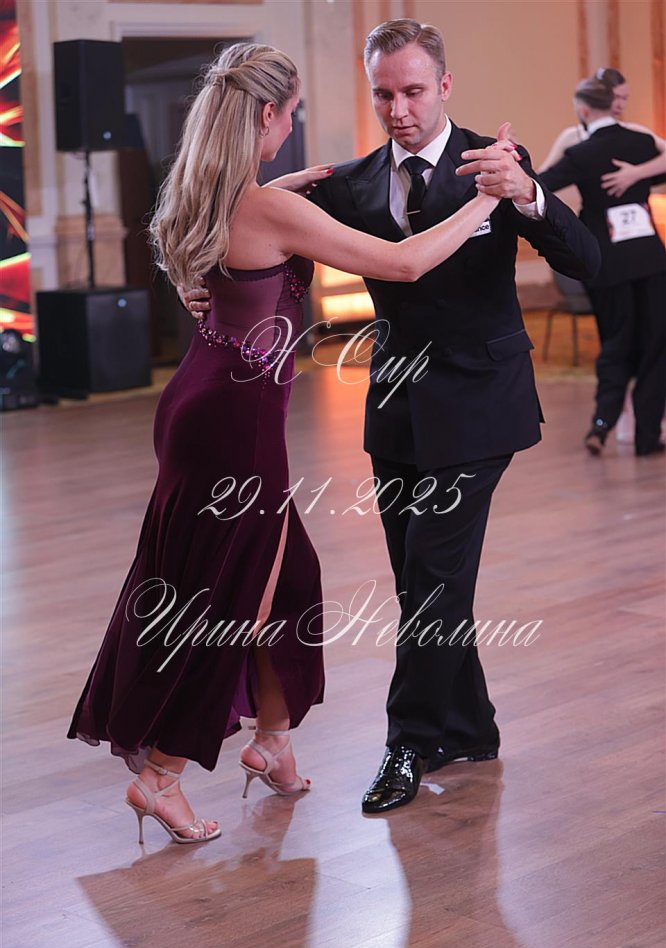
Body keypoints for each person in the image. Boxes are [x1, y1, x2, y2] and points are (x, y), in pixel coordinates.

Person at [67, 39, 521, 844]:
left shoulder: (214, 194)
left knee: (287, 583)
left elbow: (223, 263)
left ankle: (272, 741)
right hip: (237, 423)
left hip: (200, 402)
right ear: (269, 115)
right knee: (232, 596)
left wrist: (280, 197)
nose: (293, 127)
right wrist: (486, 199)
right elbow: (403, 263)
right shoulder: (266, 206)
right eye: (293, 114)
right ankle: (161, 774)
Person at [182, 20, 601, 815]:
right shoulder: (351, 182)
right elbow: (247, 232)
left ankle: (406, 741)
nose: (399, 109)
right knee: (422, 582)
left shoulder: (494, 164)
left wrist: (529, 193)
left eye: (412, 91)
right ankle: (468, 727)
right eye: (383, 94)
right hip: (397, 403)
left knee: (435, 576)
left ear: (444, 86)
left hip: (482, 402)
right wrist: (198, 285)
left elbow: (589, 260)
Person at [540, 77, 666, 456]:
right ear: (613, 103)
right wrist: (638, 174)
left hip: (606, 264)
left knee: (615, 343)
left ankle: (601, 424)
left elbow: (540, 185)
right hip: (651, 259)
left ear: (582, 109)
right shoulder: (641, 142)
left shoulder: (581, 153)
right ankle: (647, 436)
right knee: (657, 345)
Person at [538, 67, 666, 195]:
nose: (621, 105)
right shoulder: (571, 136)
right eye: (616, 97)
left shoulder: (636, 131)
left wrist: (637, 172)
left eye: (625, 98)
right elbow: (544, 176)